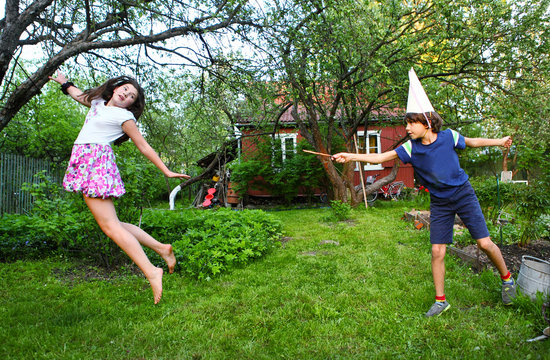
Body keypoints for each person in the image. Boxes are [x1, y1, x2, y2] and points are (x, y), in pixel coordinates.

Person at [331, 68, 517, 317]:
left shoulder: (448, 136)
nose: (407, 127)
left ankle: (507, 278)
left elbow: (472, 142)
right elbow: (381, 156)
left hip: (463, 194)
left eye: (411, 122)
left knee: (484, 243)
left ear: (427, 122)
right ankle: (441, 301)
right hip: (440, 201)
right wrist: (351, 155)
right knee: (437, 250)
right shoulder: (411, 147)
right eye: (406, 122)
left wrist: (498, 141)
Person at [49, 70, 190, 304]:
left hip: (96, 163)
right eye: (126, 89)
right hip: (85, 161)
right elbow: (76, 94)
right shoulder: (96, 102)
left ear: (133, 104)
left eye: (133, 96)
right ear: (115, 89)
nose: (127, 94)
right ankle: (162, 249)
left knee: (110, 226)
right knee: (114, 223)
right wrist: (64, 82)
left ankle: (152, 271)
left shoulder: (124, 117)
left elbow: (143, 146)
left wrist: (166, 170)